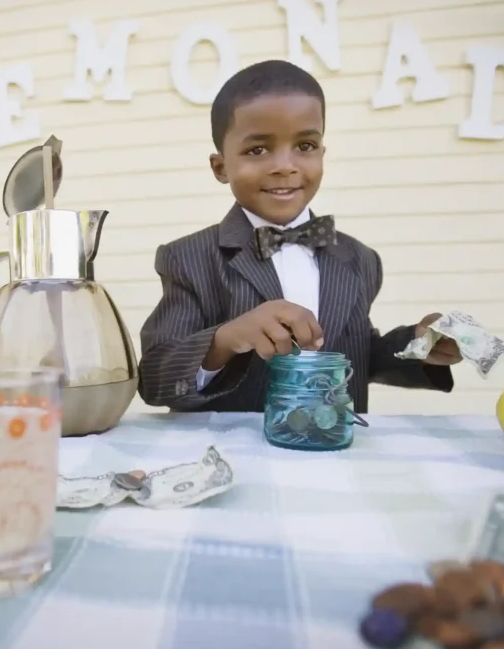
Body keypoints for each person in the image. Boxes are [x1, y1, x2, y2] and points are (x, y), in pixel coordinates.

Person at [137, 59, 462, 413]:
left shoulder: (359, 259)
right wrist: (227, 339)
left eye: (305, 146)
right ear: (221, 167)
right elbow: (154, 379)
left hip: (335, 452)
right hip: (235, 457)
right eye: (257, 150)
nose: (284, 165)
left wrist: (418, 344)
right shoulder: (188, 258)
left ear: (322, 152)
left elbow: (359, 353)